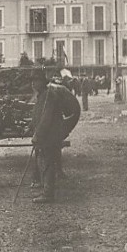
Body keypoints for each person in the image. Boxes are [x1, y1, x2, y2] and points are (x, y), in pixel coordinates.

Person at [30, 69, 81, 204]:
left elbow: (46, 118)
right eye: (32, 81)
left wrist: (37, 134)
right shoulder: (42, 95)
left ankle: (48, 194)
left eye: (36, 81)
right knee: (45, 161)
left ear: (42, 82)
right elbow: (37, 113)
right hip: (47, 135)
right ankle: (46, 190)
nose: (33, 84)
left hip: (49, 135)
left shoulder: (49, 96)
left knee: (47, 162)